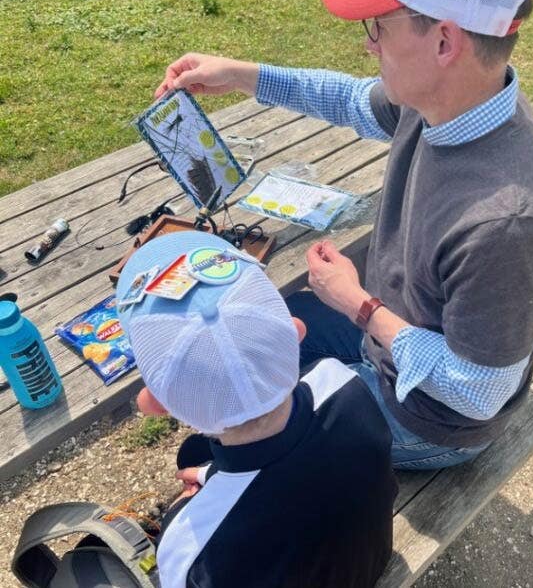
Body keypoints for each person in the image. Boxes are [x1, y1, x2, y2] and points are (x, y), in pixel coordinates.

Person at [155, 0, 533, 471]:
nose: (369, 45)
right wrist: (240, 74)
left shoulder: (512, 223)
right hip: (390, 334)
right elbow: (351, 100)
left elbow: (477, 392)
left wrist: (357, 303)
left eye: (379, 25)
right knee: (257, 339)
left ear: (446, 41)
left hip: (429, 418)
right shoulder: (447, 100)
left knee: (212, 452)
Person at [116, 231, 397, 588]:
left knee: (192, 454)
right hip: (368, 561)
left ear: (155, 405)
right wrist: (210, 478)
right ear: (296, 332)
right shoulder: (344, 385)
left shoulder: (188, 546)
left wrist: (201, 503)